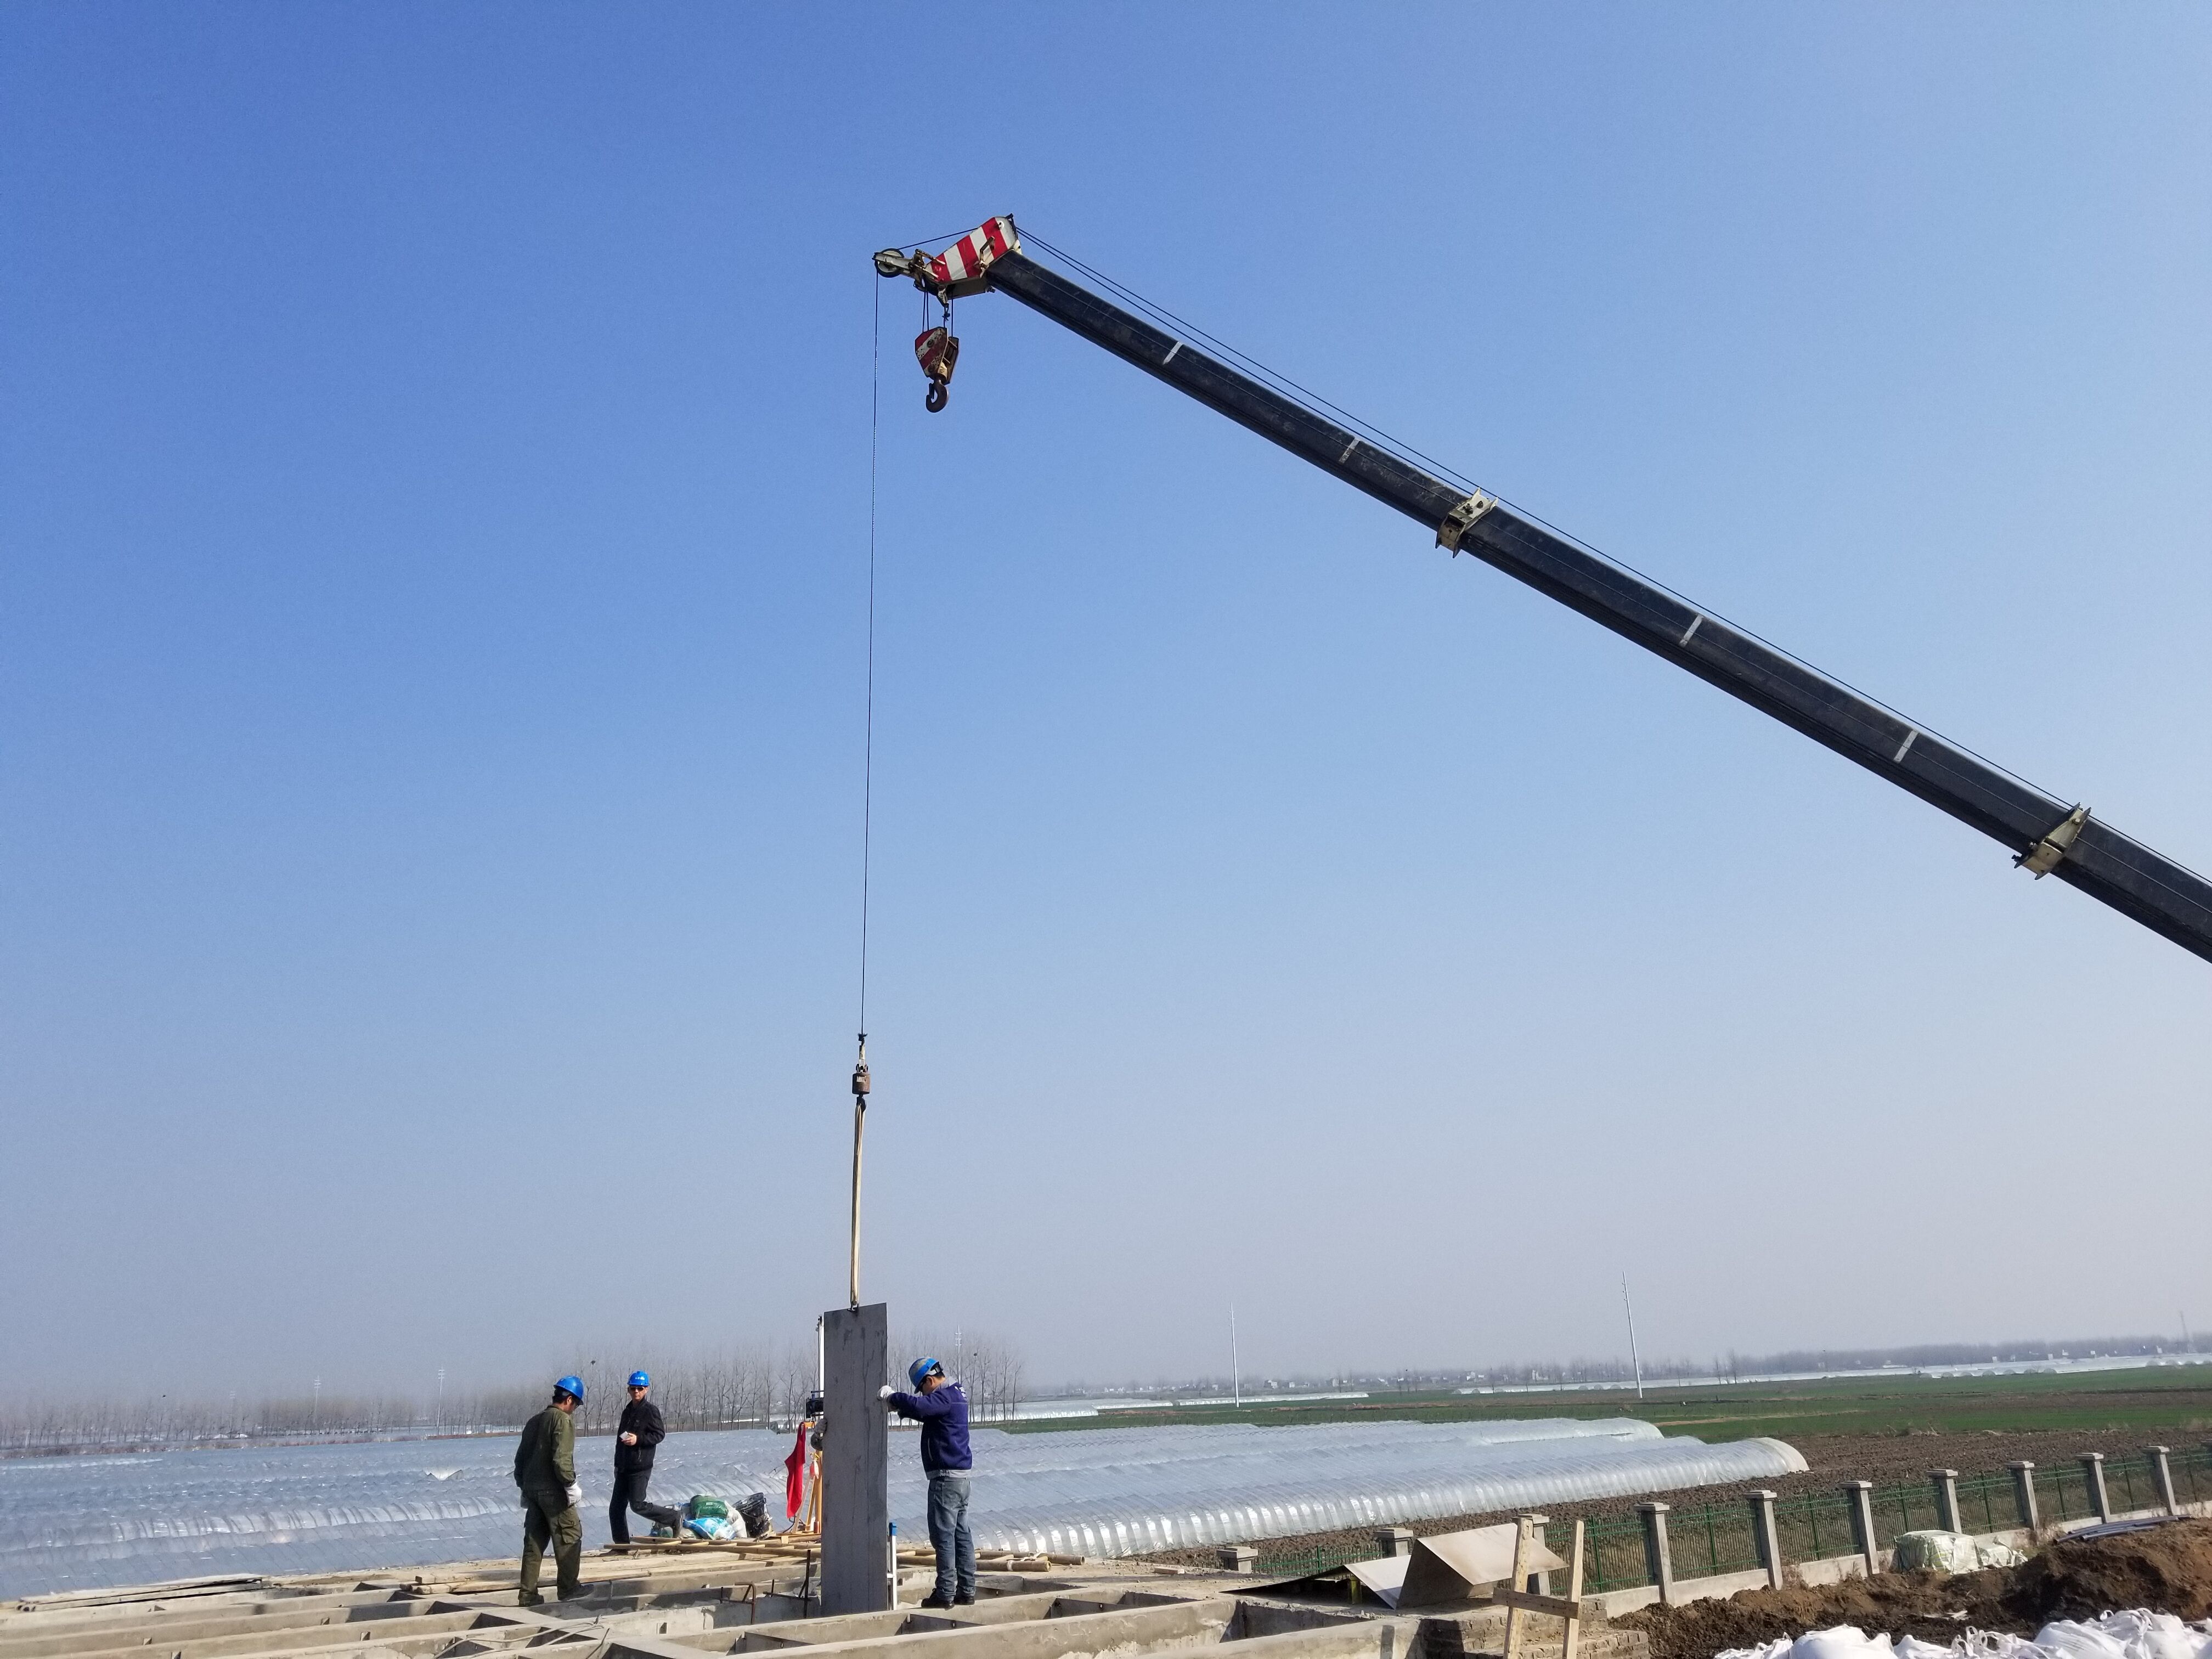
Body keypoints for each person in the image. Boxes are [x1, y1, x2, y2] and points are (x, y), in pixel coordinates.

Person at [881, 1356, 973, 1608]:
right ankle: (967, 1590)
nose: (922, 1394)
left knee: (943, 1537)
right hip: (961, 1480)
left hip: (946, 1480)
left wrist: (893, 1397)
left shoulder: (945, 1397)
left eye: (922, 1389)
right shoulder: (955, 1395)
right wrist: (901, 1410)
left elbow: (922, 1406)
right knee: (961, 1535)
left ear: (930, 1381)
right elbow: (927, 1412)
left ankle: (945, 1593)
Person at [513, 1375, 585, 1605]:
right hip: (554, 1493)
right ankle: (569, 1589)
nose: (574, 1410)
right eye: (576, 1405)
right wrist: (571, 1485)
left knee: (534, 1543)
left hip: (533, 1492)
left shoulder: (534, 1421)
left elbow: (520, 1461)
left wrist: (525, 1487)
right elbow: (561, 1460)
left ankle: (528, 1595)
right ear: (570, 1400)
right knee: (570, 1537)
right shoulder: (562, 1420)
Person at [609, 1371, 683, 1544]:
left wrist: (638, 1440)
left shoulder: (650, 1411)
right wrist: (617, 1464)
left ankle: (673, 1517)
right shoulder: (627, 1412)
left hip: (640, 1467)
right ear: (628, 1390)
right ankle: (621, 1546)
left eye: (640, 1388)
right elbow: (620, 1441)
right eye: (633, 1388)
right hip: (623, 1467)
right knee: (616, 1509)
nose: (636, 1392)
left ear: (646, 1389)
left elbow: (659, 1434)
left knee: (637, 1505)